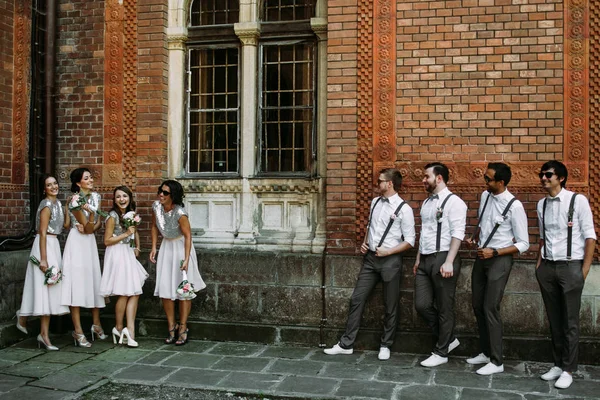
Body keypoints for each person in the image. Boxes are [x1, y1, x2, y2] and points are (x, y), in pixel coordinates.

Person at [324, 168, 415, 360]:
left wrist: (388, 251)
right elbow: (370, 226)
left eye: (381, 181)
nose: (377, 184)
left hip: (390, 260)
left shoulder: (404, 209)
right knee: (357, 298)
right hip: (371, 259)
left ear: (390, 183)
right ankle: (346, 344)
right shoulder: (375, 202)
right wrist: (366, 242)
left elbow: (410, 240)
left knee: (390, 304)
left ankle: (386, 345)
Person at [535, 160, 596, 389]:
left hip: (571, 267)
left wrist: (583, 270)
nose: (543, 178)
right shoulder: (541, 204)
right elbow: (542, 238)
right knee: (554, 319)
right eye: (541, 174)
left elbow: (590, 237)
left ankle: (569, 369)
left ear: (561, 178)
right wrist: (539, 266)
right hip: (548, 267)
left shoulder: (577, 200)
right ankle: (558, 364)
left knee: (570, 321)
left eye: (548, 174)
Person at [465, 162, 529, 375]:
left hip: (499, 260)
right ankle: (485, 351)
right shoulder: (485, 196)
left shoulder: (515, 206)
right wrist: (474, 238)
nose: (485, 182)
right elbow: (485, 224)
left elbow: (523, 243)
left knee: (490, 307)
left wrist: (495, 252)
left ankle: (497, 360)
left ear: (501, 182)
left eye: (488, 179)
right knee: (477, 305)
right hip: (481, 256)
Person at [413, 163, 467, 367]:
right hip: (425, 258)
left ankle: (441, 351)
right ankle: (450, 339)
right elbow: (424, 233)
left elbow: (457, 233)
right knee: (422, 305)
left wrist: (449, 261)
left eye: (426, 176)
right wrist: (418, 258)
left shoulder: (455, 203)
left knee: (445, 307)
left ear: (439, 178)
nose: (423, 180)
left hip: (444, 257)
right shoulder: (427, 203)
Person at [17, 174, 70, 350]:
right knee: (42, 289)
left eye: (55, 183)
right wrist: (44, 258)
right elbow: (42, 232)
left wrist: (69, 207)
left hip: (54, 245)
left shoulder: (58, 204)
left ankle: (42, 334)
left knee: (50, 289)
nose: (54, 186)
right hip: (44, 246)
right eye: (49, 185)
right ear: (44, 189)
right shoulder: (46, 205)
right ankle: (29, 322)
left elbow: (65, 226)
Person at [150, 180, 206, 346]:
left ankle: (183, 327)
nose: (161, 194)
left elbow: (188, 236)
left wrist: (187, 259)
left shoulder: (180, 213)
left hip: (181, 248)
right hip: (167, 247)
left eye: (165, 193)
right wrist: (153, 247)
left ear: (173, 195)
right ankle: (171, 326)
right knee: (166, 288)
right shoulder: (156, 207)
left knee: (184, 290)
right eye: (160, 191)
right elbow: (154, 226)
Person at [61, 167, 107, 347]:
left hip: (89, 242)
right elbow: (85, 225)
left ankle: (96, 324)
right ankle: (78, 331)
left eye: (91, 177)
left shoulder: (96, 197)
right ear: (78, 183)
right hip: (77, 243)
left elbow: (96, 225)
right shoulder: (74, 200)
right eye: (86, 178)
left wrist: (92, 225)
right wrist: (89, 224)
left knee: (93, 280)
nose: (91, 180)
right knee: (76, 283)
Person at [99, 186, 148, 347]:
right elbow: (107, 241)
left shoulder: (130, 214)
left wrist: (137, 247)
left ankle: (127, 329)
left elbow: (135, 232)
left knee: (134, 291)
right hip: (117, 253)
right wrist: (126, 234)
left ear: (129, 198)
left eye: (124, 196)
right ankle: (121, 328)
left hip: (127, 252)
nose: (122, 199)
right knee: (124, 292)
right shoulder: (112, 216)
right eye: (118, 197)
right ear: (114, 199)